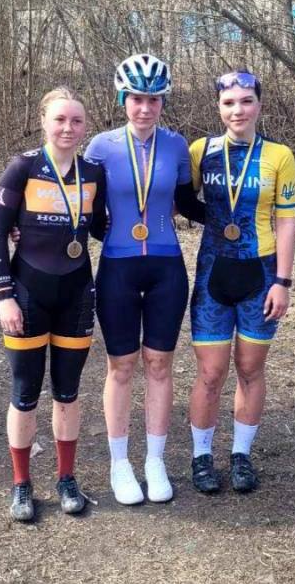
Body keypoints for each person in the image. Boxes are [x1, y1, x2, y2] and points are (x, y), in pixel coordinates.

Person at [84, 54, 204, 505]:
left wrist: (239, 217)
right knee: (121, 365)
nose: (145, 108)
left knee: (159, 363)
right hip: (117, 266)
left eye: (154, 100)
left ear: (163, 103)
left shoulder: (176, 146)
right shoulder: (100, 146)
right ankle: (120, 463)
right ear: (123, 99)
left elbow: (187, 205)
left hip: (166, 268)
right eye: (136, 98)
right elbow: (87, 212)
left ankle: (155, 460)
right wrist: (26, 227)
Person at [0, 87, 106, 521]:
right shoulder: (22, 167)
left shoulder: (93, 172)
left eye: (76, 120)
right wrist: (5, 296)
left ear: (85, 125)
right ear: (44, 121)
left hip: (76, 294)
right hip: (26, 293)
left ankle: (66, 478)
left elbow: (100, 227)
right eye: (60, 119)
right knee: (24, 393)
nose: (68, 128)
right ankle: (21, 484)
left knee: (68, 392)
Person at [188, 70, 295, 494]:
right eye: (229, 102)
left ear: (259, 105)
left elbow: (286, 222)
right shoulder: (201, 151)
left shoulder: (279, 155)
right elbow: (174, 199)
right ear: (218, 107)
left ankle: (240, 455)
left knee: (250, 369)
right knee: (210, 372)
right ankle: (201, 457)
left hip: (261, 275)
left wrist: (283, 281)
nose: (238, 110)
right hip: (212, 274)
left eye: (247, 101)